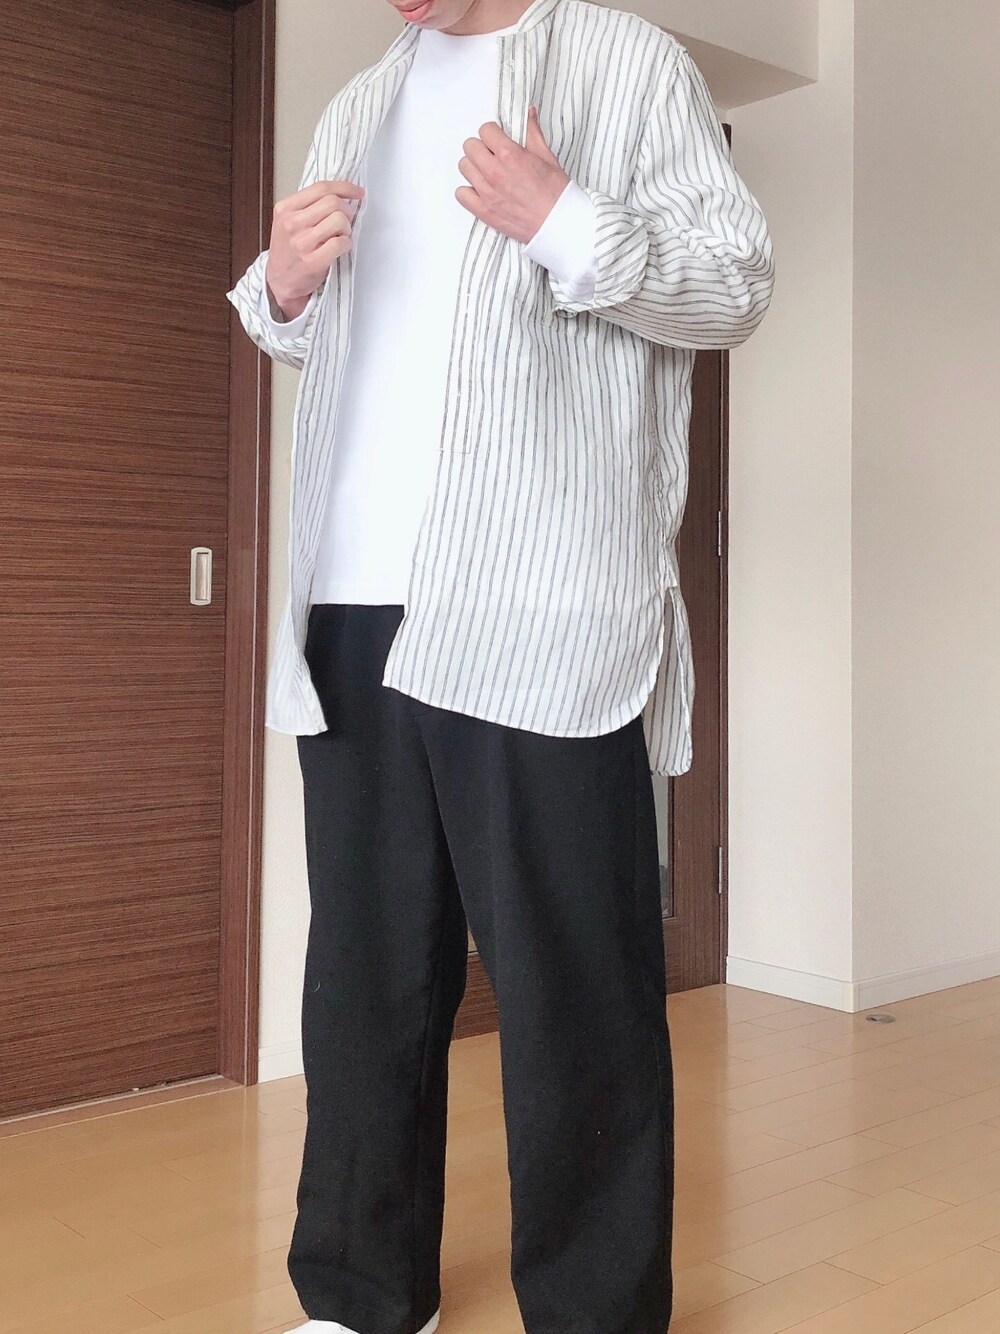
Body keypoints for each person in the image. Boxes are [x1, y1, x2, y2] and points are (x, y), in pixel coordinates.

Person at [227, 0, 773, 1329]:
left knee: (573, 980)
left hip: (536, 598)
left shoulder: (630, 65)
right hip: (354, 601)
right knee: (363, 976)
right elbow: (324, 338)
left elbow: (735, 285)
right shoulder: (359, 103)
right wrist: (280, 286)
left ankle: (594, 1313)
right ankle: (359, 1292)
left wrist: (568, 219)